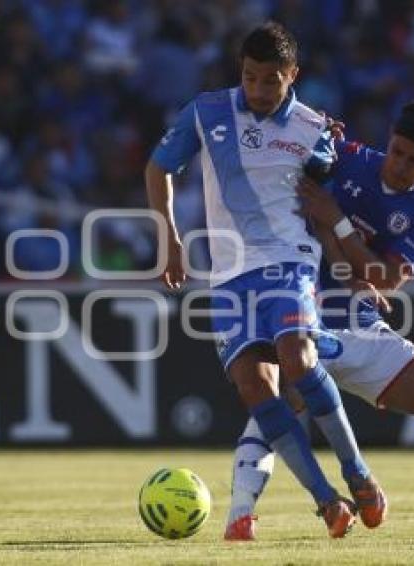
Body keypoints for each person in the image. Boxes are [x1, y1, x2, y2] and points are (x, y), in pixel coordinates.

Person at [144, 22, 384, 539]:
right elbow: (157, 168)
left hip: (288, 259)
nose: (258, 90)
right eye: (251, 77)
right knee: (253, 385)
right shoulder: (207, 112)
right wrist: (169, 237)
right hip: (228, 272)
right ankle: (326, 501)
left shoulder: (314, 129)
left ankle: (358, 472)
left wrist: (351, 265)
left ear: (292, 75)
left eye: (270, 80)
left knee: (298, 358)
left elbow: (332, 193)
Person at [225, 99, 414, 540]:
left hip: (360, 325)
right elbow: (286, 167)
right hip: (301, 313)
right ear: (388, 139)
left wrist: (337, 224)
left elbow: (384, 279)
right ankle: (240, 516)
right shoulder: (346, 159)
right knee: (280, 403)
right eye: (398, 151)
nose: (401, 165)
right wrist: (313, 131)